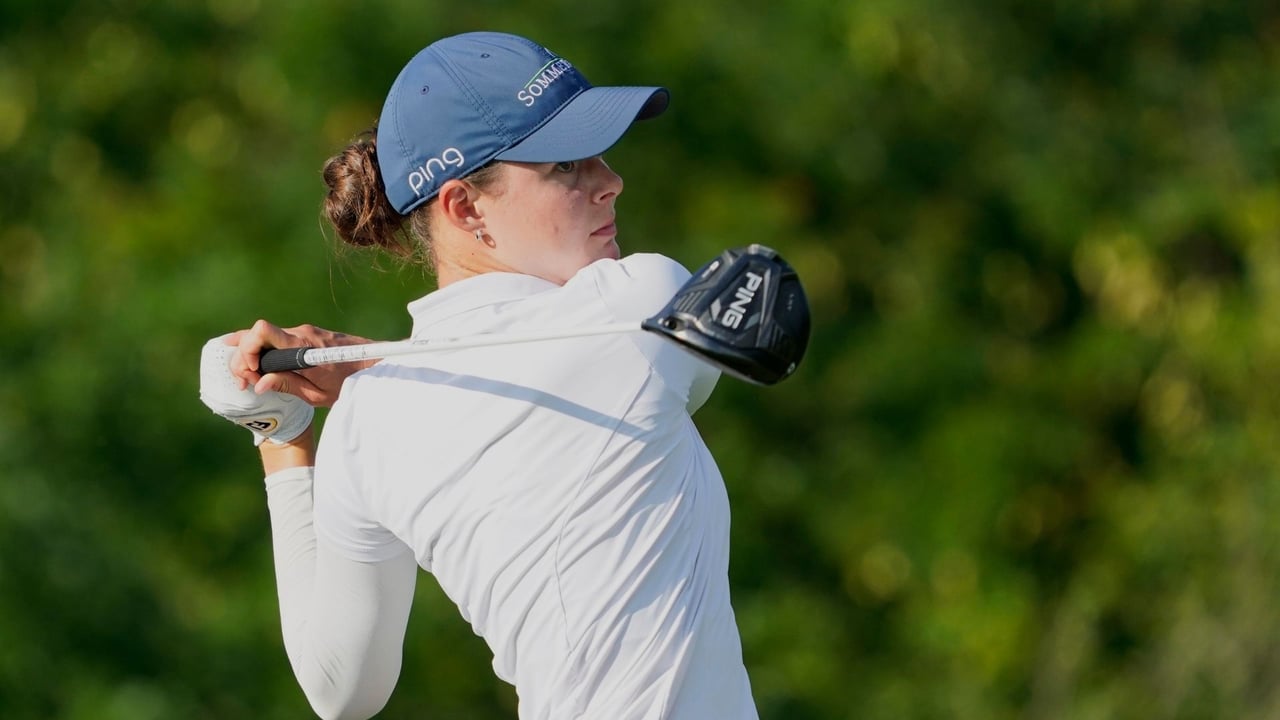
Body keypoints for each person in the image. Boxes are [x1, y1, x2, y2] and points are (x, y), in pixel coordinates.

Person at [198, 31, 758, 720]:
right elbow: (536, 361)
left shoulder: (370, 423)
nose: (609, 181)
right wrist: (370, 366)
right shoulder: (639, 302)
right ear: (464, 208)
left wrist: (279, 432)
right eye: (564, 167)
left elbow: (341, 689)